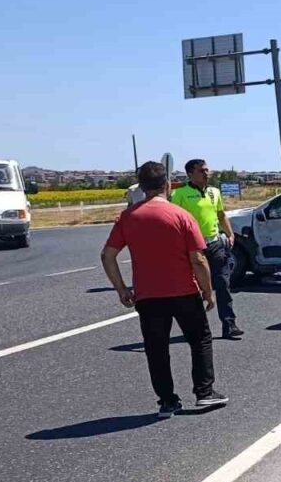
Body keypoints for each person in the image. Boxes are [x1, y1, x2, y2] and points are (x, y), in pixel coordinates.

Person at [100, 161, 228, 418]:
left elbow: (107, 255)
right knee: (200, 339)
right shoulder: (181, 216)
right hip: (183, 291)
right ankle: (204, 392)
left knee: (156, 348)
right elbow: (198, 259)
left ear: (141, 186)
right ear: (167, 185)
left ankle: (167, 401)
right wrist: (207, 290)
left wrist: (121, 289)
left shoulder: (128, 217)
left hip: (148, 295)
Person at [170, 159, 242, 339]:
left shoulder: (214, 192)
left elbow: (221, 214)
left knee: (223, 283)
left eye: (207, 170)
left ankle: (229, 324)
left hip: (215, 244)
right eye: (202, 170)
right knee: (194, 288)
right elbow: (173, 221)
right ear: (190, 174)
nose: (206, 173)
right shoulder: (179, 194)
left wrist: (230, 234)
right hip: (193, 247)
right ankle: (197, 328)